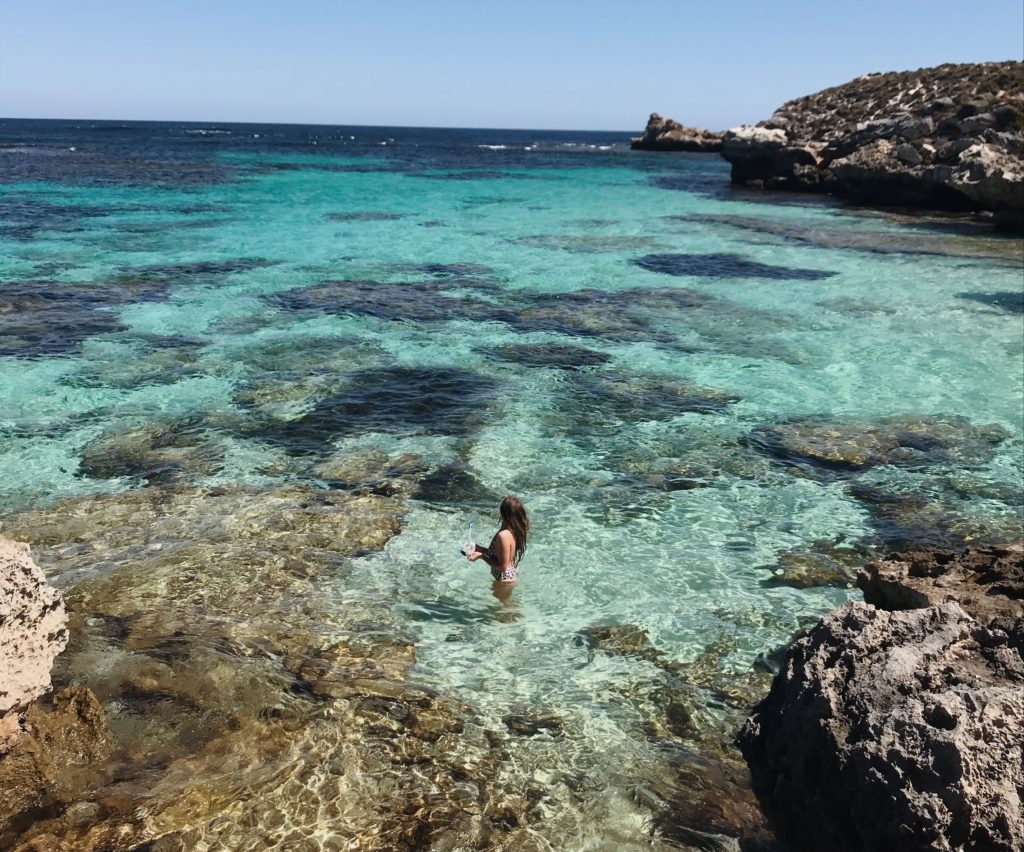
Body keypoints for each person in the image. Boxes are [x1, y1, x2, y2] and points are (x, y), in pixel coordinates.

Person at [466, 495, 530, 588]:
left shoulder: (503, 535)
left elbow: (502, 567)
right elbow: (496, 555)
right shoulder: (512, 530)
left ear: (503, 513)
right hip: (508, 578)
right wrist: (479, 548)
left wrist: (481, 556)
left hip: (504, 580)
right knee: (506, 603)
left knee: (508, 603)